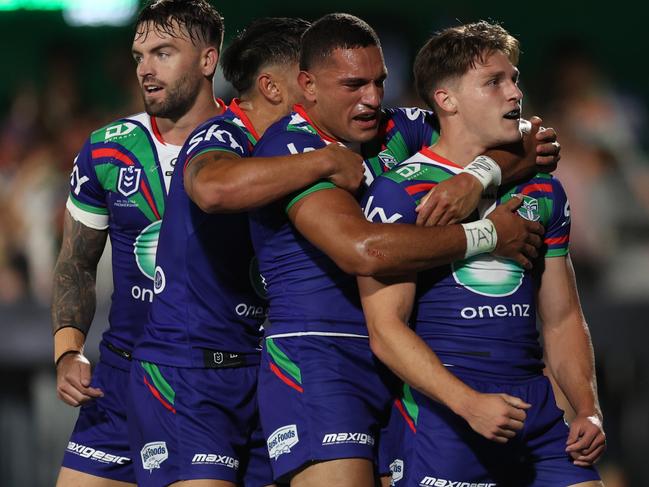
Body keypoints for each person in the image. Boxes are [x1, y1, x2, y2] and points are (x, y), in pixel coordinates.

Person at [247, 13, 560, 487]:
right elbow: (363, 252)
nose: (372, 99)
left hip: (399, 361)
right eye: (354, 85)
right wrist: (488, 235)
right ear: (307, 85)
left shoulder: (396, 127)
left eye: (379, 82)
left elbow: (531, 137)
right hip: (320, 359)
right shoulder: (291, 148)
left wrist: (476, 177)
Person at [358, 21, 605, 486]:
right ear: (446, 100)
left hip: (537, 411)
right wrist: (468, 403)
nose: (514, 93)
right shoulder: (401, 192)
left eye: (513, 78)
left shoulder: (543, 188)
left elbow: (562, 317)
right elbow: (385, 330)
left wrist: (588, 408)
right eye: (493, 82)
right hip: (447, 415)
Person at [127, 17, 364, 487]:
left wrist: (483, 170)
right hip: (191, 372)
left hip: (260, 370)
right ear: (274, 87)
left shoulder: (317, 141)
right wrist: (324, 160)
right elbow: (214, 189)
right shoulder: (224, 135)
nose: (323, 94)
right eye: (310, 81)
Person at [51, 1, 226, 485]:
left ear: (208, 60)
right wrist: (68, 351)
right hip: (121, 380)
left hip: (211, 379)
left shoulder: (253, 144)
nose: (145, 69)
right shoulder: (107, 149)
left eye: (164, 53)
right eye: (139, 55)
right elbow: (75, 264)